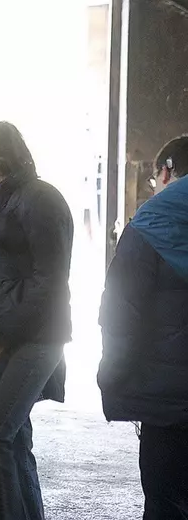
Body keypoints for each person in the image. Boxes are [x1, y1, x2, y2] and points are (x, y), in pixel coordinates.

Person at [0, 121, 72, 520]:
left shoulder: (40, 200)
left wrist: (3, 335)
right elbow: (2, 280)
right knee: (13, 436)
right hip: (12, 336)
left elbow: (50, 280)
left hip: (35, 338)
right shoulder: (8, 202)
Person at [98, 136, 188, 520]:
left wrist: (113, 377)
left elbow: (121, 313)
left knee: (166, 502)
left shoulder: (151, 225)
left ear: (166, 170)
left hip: (169, 403)